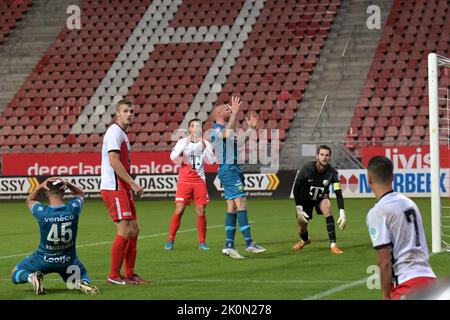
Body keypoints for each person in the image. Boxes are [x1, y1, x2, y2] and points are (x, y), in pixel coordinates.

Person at [11, 177, 99, 295]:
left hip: (43, 259)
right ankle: (81, 283)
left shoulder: (42, 212)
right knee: (82, 275)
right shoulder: (73, 209)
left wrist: (41, 185)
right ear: (63, 191)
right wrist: (68, 183)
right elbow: (80, 193)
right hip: (68, 260)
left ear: (47, 193)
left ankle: (31, 277)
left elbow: (30, 199)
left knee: (15, 273)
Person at [366, 156, 436, 300]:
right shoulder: (410, 203)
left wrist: (386, 296)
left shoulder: (378, 212)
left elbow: (384, 261)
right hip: (430, 280)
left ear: (369, 179)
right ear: (393, 177)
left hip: (407, 285)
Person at [100, 99, 149, 285]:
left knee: (134, 229)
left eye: (132, 111)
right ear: (117, 114)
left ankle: (130, 274)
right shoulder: (114, 132)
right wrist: (132, 183)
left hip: (122, 188)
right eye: (125, 111)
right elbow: (113, 161)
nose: (129, 114)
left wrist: (128, 185)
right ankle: (113, 275)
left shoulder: (122, 134)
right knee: (125, 230)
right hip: (114, 187)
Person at [210, 96, 266, 259]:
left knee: (232, 207)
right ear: (219, 113)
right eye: (227, 109)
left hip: (233, 168)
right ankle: (249, 244)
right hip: (228, 169)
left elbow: (239, 143)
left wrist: (250, 128)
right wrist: (234, 113)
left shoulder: (226, 130)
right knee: (241, 202)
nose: (231, 110)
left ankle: (229, 246)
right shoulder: (216, 129)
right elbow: (227, 133)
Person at [164, 118, 215, 250]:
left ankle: (202, 242)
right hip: (184, 180)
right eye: (193, 126)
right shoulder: (182, 142)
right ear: (189, 129)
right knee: (179, 209)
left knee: (201, 210)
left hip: (199, 180)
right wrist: (184, 145)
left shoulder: (206, 143)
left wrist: (206, 149)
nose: (196, 128)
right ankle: (170, 240)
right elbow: (173, 159)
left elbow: (211, 161)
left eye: (198, 126)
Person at [292, 145, 347, 254]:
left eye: (327, 155)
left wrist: (342, 212)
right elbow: (296, 188)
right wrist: (299, 208)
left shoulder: (332, 173)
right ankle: (305, 240)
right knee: (301, 229)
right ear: (317, 156)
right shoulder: (307, 168)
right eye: (322, 154)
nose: (324, 157)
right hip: (305, 199)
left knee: (327, 207)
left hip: (321, 197)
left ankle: (333, 245)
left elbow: (338, 193)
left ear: (330, 157)